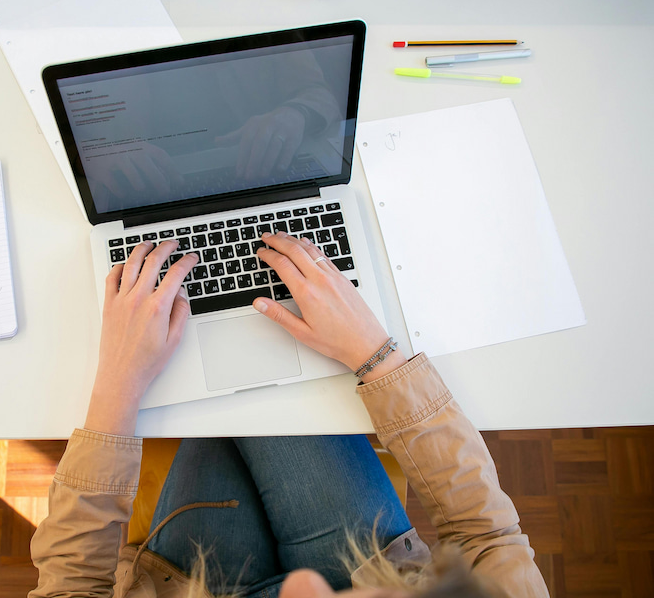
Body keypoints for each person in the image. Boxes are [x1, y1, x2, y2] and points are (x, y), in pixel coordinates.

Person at [28, 231, 550, 598]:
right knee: (259, 401)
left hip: (188, 583)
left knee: (229, 408)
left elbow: (70, 587)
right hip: (368, 563)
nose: (301, 587)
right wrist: (375, 355)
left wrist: (119, 382)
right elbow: (487, 533)